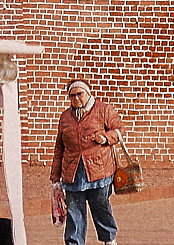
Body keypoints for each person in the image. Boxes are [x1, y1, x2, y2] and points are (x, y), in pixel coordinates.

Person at [54, 78, 127, 245]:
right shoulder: (65, 117)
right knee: (74, 211)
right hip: (72, 172)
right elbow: (59, 148)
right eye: (72, 95)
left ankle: (109, 238)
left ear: (88, 93)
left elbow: (120, 130)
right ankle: (74, 242)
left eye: (79, 94)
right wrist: (55, 177)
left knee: (101, 206)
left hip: (99, 170)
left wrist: (106, 137)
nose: (76, 98)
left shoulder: (103, 110)